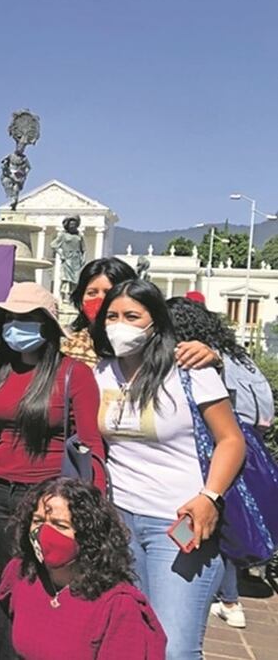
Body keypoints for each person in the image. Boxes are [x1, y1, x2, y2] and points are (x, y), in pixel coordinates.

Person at [92, 279, 246, 658]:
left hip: (179, 525)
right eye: (112, 316)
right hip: (119, 520)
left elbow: (231, 440)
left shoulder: (190, 370)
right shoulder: (100, 372)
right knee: (132, 637)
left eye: (132, 316)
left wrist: (210, 495)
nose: (119, 325)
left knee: (175, 647)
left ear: (155, 322)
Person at [166, 297, 274, 629]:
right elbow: (266, 411)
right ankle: (228, 597)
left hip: (215, 454)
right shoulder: (239, 356)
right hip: (250, 447)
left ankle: (226, 598)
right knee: (225, 526)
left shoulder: (196, 360)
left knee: (210, 528)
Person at [0, 282, 105, 576]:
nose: (16, 326)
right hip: (0, 493)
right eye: (10, 319)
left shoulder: (74, 374)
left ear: (46, 326)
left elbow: (91, 442)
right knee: (9, 577)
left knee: (46, 578)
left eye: (26, 319)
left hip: (48, 495)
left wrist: (92, 505)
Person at [0, 478, 167, 659]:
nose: (44, 532)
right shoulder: (21, 572)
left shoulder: (118, 605)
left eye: (60, 525)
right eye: (38, 521)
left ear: (88, 536)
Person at [62, 258, 219, 370]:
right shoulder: (64, 349)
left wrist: (212, 358)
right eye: (91, 293)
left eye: (109, 292)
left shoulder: (158, 347)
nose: (101, 300)